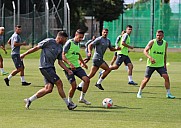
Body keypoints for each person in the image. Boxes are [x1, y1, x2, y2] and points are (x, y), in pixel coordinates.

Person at [21, 31, 77, 110]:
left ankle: (29, 100)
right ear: (60, 38)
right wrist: (24, 54)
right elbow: (36, 48)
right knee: (59, 83)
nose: (65, 41)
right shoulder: (49, 41)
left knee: (48, 89)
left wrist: (68, 70)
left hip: (51, 68)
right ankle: (68, 104)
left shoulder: (60, 48)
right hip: (45, 67)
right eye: (65, 39)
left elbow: (60, 62)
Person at [137, 30, 175, 99]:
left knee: (166, 77)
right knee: (146, 80)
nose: (158, 36)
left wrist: (165, 65)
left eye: (160, 35)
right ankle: (139, 92)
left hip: (160, 65)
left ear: (163, 36)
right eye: (157, 35)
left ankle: (168, 94)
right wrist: (150, 58)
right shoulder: (152, 42)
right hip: (151, 65)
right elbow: (145, 51)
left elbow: (165, 54)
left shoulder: (165, 43)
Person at [62, 29, 91, 105]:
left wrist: (83, 63)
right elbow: (62, 55)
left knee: (87, 80)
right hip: (68, 68)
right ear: (76, 35)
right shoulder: (69, 43)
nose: (81, 39)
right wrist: (69, 64)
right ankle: (69, 101)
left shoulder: (78, 44)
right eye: (80, 37)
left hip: (77, 67)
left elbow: (77, 54)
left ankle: (82, 98)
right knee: (74, 86)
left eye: (82, 38)